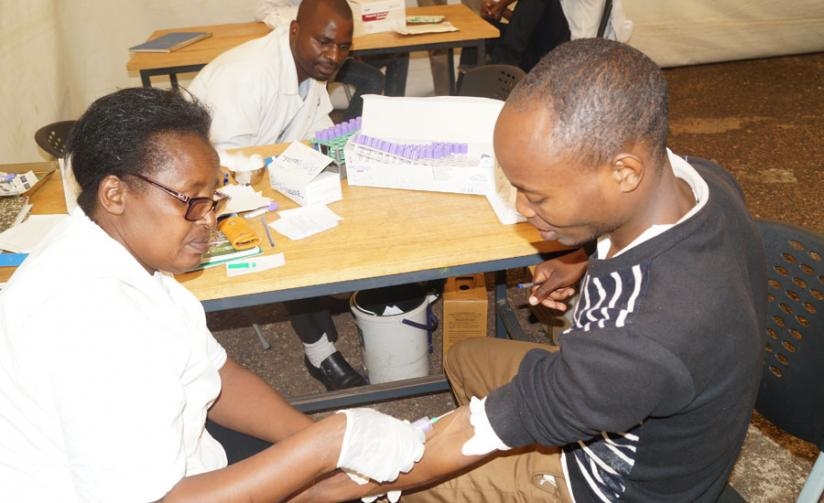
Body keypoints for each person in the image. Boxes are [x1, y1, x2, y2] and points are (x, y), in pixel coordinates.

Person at [295, 38, 767, 502]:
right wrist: (580, 258)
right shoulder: (696, 179)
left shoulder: (644, 338)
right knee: (464, 358)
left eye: (536, 195)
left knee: (412, 480)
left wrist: (332, 488)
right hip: (623, 396)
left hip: (611, 485)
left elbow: (469, 431)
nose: (521, 209)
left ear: (624, 172)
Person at [0, 87, 426, 501]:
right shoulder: (89, 319)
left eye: (213, 199)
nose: (210, 220)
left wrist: (316, 441)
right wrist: (326, 446)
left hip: (182, 462)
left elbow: (219, 378)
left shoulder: (121, 254)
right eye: (192, 201)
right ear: (115, 194)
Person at [189, 0, 367, 391]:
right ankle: (320, 351)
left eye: (343, 47)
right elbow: (222, 167)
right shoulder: (246, 76)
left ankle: (336, 286)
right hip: (205, 189)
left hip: (265, 176)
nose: (334, 55)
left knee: (339, 202)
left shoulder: (311, 71)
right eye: (324, 42)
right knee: (289, 240)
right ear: (293, 31)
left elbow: (315, 133)